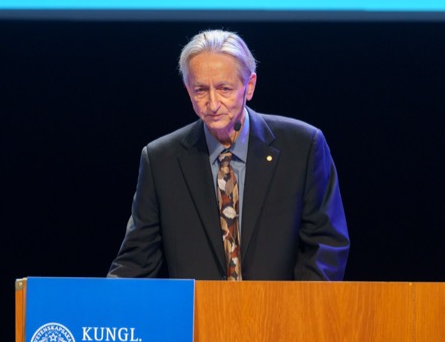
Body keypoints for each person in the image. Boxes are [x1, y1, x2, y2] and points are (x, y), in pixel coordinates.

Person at [108, 29, 349, 281]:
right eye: (201, 90)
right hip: (198, 317)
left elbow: (326, 246)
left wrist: (299, 313)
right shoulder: (161, 160)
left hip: (282, 315)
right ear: (188, 89)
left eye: (224, 88)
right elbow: (136, 261)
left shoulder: (303, 147)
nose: (212, 104)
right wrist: (99, 309)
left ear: (249, 86)